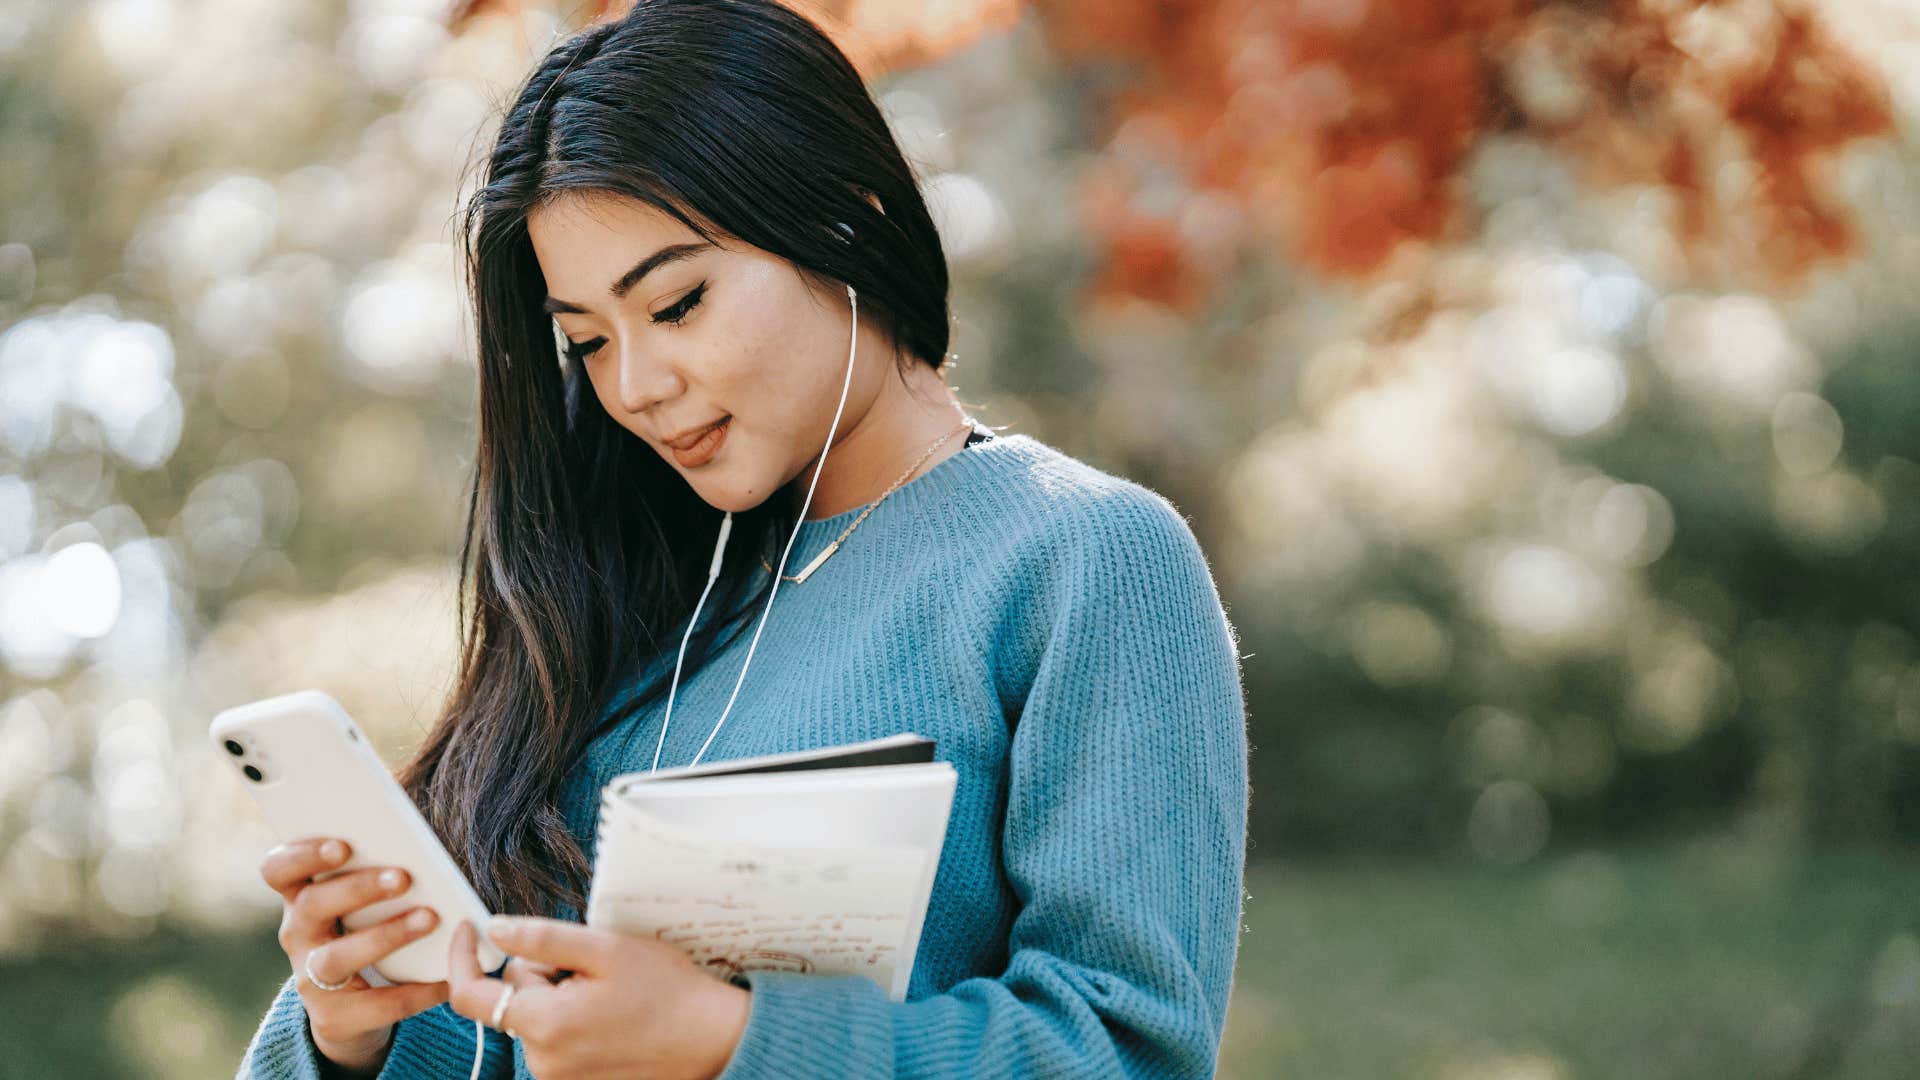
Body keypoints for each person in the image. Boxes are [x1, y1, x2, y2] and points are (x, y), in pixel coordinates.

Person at [236, 1, 1248, 1076]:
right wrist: (352, 1035)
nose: (636, 386)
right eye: (587, 341)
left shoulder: (1082, 560)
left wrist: (733, 1041)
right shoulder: (630, 598)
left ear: (845, 216)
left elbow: (1128, 1049)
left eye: (676, 304)